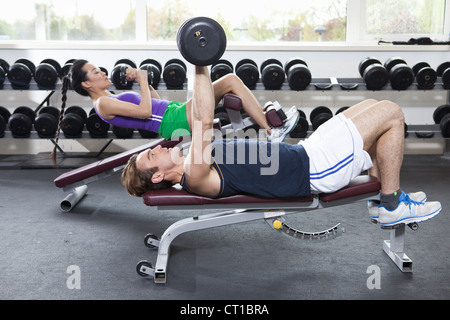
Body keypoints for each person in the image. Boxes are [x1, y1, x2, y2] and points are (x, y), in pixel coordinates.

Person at [121, 65, 442, 229]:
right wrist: (199, 65)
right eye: (152, 155)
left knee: (373, 104)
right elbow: (203, 118)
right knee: (391, 113)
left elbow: (201, 115)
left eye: (153, 149)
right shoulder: (194, 173)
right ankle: (390, 205)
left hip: (307, 149)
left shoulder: (191, 160)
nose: (159, 148)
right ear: (159, 177)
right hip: (315, 166)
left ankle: (384, 196)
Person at [51, 59, 298, 162]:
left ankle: (267, 126)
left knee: (229, 83)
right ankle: (269, 130)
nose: (102, 73)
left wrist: (143, 83)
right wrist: (143, 80)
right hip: (176, 120)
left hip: (175, 112)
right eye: (95, 72)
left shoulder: (108, 97)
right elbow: (147, 112)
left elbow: (153, 103)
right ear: (86, 84)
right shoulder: (103, 104)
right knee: (231, 80)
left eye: (99, 69)